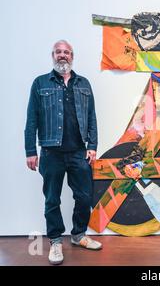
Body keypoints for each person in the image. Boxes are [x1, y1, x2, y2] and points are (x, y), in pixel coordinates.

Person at [24, 40, 102, 265]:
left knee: (84, 196)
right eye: (58, 52)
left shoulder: (84, 83)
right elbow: (32, 120)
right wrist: (31, 150)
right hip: (51, 153)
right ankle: (56, 241)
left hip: (79, 152)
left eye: (66, 52)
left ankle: (78, 235)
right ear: (52, 55)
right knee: (52, 199)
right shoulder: (40, 83)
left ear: (72, 57)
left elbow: (92, 118)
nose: (62, 55)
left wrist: (93, 146)